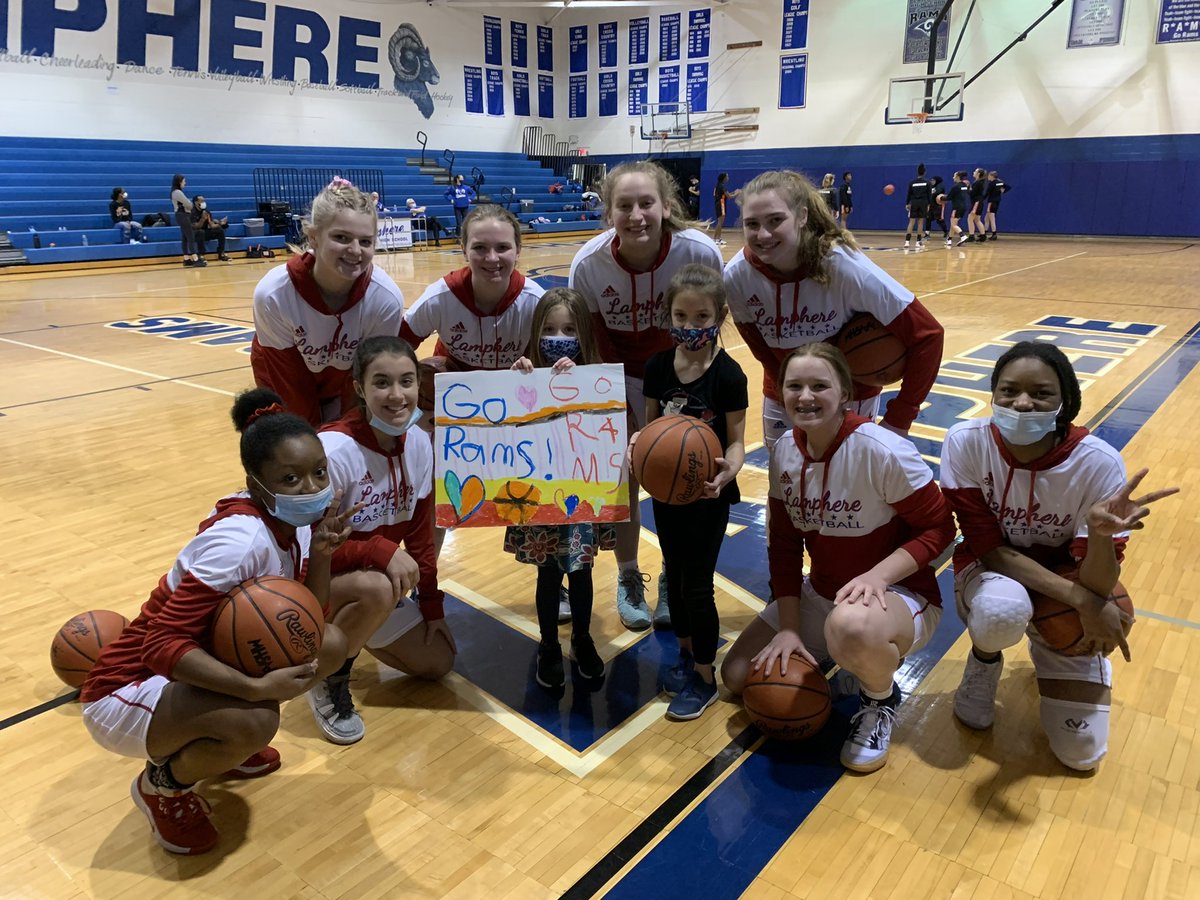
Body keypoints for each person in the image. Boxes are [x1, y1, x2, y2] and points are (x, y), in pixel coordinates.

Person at [79, 388, 358, 855]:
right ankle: (161, 786)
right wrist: (254, 690)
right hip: (124, 688)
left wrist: (325, 556)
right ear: (256, 485)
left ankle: (215, 741)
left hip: (184, 672)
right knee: (254, 720)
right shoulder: (242, 541)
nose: (311, 488)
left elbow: (308, 621)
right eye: (290, 478)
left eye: (318, 472)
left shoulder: (296, 525)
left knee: (327, 644)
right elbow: (159, 646)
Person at [940, 341, 1177, 771]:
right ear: (993, 394)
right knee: (998, 612)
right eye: (1009, 390)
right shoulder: (966, 442)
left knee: (1081, 756)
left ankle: (1059, 648)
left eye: (1041, 392)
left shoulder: (1099, 463)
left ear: (1065, 400)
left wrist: (1102, 538)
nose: (1023, 403)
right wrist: (1086, 604)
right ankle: (985, 660)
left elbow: (1099, 582)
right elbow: (991, 550)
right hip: (998, 570)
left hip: (1071, 574)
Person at [721, 343, 955, 772]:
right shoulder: (785, 453)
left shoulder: (883, 450)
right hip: (823, 594)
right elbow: (786, 546)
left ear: (845, 392)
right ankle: (835, 647)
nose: (805, 396)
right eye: (794, 386)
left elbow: (941, 529)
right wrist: (789, 629)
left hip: (899, 597)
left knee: (850, 625)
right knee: (737, 677)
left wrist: (880, 576)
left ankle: (879, 700)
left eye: (819, 386)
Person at [569, 160, 724, 630]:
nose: (636, 214)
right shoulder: (589, 264)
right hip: (614, 377)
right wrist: (626, 416)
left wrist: (689, 393)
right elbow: (593, 344)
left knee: (683, 477)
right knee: (622, 486)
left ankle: (678, 580)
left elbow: (710, 326)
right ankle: (628, 575)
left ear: (666, 206)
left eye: (646, 203)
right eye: (624, 205)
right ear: (608, 212)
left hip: (682, 374)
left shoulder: (698, 252)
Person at [725, 169, 944, 454]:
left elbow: (928, 335)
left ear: (802, 216)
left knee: (848, 486)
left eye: (776, 220)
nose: (763, 234)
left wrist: (901, 416)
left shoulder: (844, 266)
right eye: (751, 224)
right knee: (786, 483)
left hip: (848, 398)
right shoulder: (737, 276)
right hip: (784, 396)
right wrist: (792, 392)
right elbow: (761, 348)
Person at [314, 336, 454, 743]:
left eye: (406, 381)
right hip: (315, 587)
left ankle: (349, 638)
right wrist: (378, 549)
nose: (397, 395)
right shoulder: (334, 451)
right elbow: (305, 551)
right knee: (378, 585)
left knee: (438, 662)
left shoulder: (420, 443)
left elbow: (420, 533)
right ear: (358, 387)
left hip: (368, 586)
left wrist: (431, 605)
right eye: (382, 383)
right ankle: (329, 677)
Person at [642, 264, 747, 720]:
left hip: (708, 494)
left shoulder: (729, 374)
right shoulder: (658, 366)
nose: (690, 326)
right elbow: (649, 429)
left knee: (697, 586)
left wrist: (728, 471)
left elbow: (738, 440)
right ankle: (687, 654)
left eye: (701, 317)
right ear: (669, 315)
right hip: (667, 495)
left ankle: (704, 677)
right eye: (681, 316)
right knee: (676, 577)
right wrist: (636, 445)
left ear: (720, 316)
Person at [506, 288, 614, 689]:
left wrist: (583, 382)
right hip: (536, 497)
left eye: (569, 328)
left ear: (583, 333)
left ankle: (582, 639)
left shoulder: (598, 379)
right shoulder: (523, 374)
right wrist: (517, 382)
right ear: (536, 333)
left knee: (582, 571)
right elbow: (509, 426)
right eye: (549, 329)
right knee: (547, 575)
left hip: (581, 496)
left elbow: (607, 433)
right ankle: (549, 642)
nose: (558, 336)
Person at [251, 177, 405, 428]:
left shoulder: (385, 299)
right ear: (313, 237)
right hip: (281, 378)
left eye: (365, 241)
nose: (355, 250)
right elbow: (290, 384)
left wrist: (345, 435)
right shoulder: (273, 295)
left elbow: (365, 378)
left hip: (344, 381)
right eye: (342, 238)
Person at [170, 174, 204, 267]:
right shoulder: (177, 192)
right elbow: (188, 204)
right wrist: (190, 205)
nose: (185, 183)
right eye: (184, 181)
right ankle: (196, 258)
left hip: (181, 215)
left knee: (185, 237)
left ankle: (186, 259)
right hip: (183, 215)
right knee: (190, 236)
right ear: (179, 182)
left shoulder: (175, 192)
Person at [192, 196, 231, 262]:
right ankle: (201, 255)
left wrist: (220, 223)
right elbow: (196, 227)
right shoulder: (192, 212)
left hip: (205, 232)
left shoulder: (206, 211)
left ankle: (221, 253)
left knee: (220, 231)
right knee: (200, 232)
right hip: (194, 233)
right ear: (196, 202)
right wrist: (202, 219)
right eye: (201, 201)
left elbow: (211, 225)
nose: (203, 203)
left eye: (204, 201)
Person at [904, 164, 932, 250]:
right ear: (924, 172)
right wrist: (929, 205)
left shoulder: (912, 182)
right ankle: (918, 242)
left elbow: (909, 194)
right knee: (920, 222)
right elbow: (929, 195)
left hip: (914, 202)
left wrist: (907, 203)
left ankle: (907, 242)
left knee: (911, 222)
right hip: (923, 203)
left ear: (917, 172)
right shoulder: (927, 182)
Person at [984, 171, 1011, 240]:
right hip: (997, 200)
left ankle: (994, 234)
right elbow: (1008, 187)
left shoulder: (991, 183)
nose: (988, 177)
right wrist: (1002, 191)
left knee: (991, 218)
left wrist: (981, 199)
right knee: (987, 218)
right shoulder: (1000, 182)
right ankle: (984, 233)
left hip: (991, 201)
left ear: (992, 176)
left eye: (989, 176)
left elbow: (987, 193)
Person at [947, 171, 971, 246]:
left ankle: (962, 236)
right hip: (963, 206)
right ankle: (949, 240)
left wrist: (940, 198)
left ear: (957, 177)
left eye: (954, 176)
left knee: (953, 225)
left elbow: (949, 197)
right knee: (953, 224)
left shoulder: (955, 187)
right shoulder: (964, 185)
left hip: (956, 207)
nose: (953, 177)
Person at [967, 167, 988, 242]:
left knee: (970, 218)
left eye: (975, 171)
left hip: (976, 203)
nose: (973, 172)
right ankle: (983, 236)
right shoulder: (981, 182)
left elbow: (972, 194)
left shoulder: (977, 183)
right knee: (977, 220)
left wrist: (968, 188)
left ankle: (971, 236)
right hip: (979, 203)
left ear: (978, 173)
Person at [712, 173, 731, 246]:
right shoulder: (722, 186)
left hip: (718, 203)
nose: (728, 178)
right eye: (727, 176)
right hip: (721, 204)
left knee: (719, 222)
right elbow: (729, 196)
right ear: (724, 178)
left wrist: (733, 193)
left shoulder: (718, 185)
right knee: (720, 222)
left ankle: (715, 239)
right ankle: (717, 239)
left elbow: (718, 194)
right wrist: (737, 193)